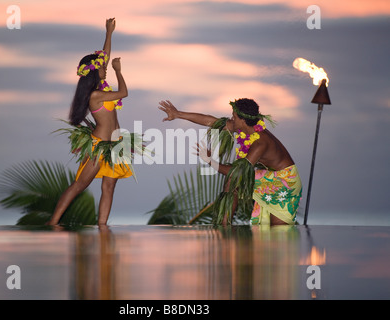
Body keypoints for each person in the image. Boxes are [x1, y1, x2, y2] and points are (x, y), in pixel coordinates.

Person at [158, 98, 302, 226]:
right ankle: (224, 225)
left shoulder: (260, 143)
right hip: (269, 176)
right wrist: (178, 114)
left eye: (234, 117)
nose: (231, 119)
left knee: (280, 232)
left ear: (243, 120)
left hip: (285, 182)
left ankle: (224, 224)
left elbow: (237, 172)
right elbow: (211, 121)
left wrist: (209, 160)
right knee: (232, 182)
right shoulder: (245, 128)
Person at [46, 18, 131, 226]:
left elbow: (104, 56)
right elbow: (124, 92)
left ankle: (102, 226)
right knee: (79, 185)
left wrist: (109, 33)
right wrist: (119, 71)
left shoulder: (102, 88)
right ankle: (53, 221)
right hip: (99, 147)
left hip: (115, 145)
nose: (106, 68)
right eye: (102, 67)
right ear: (94, 72)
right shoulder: (96, 96)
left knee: (108, 188)